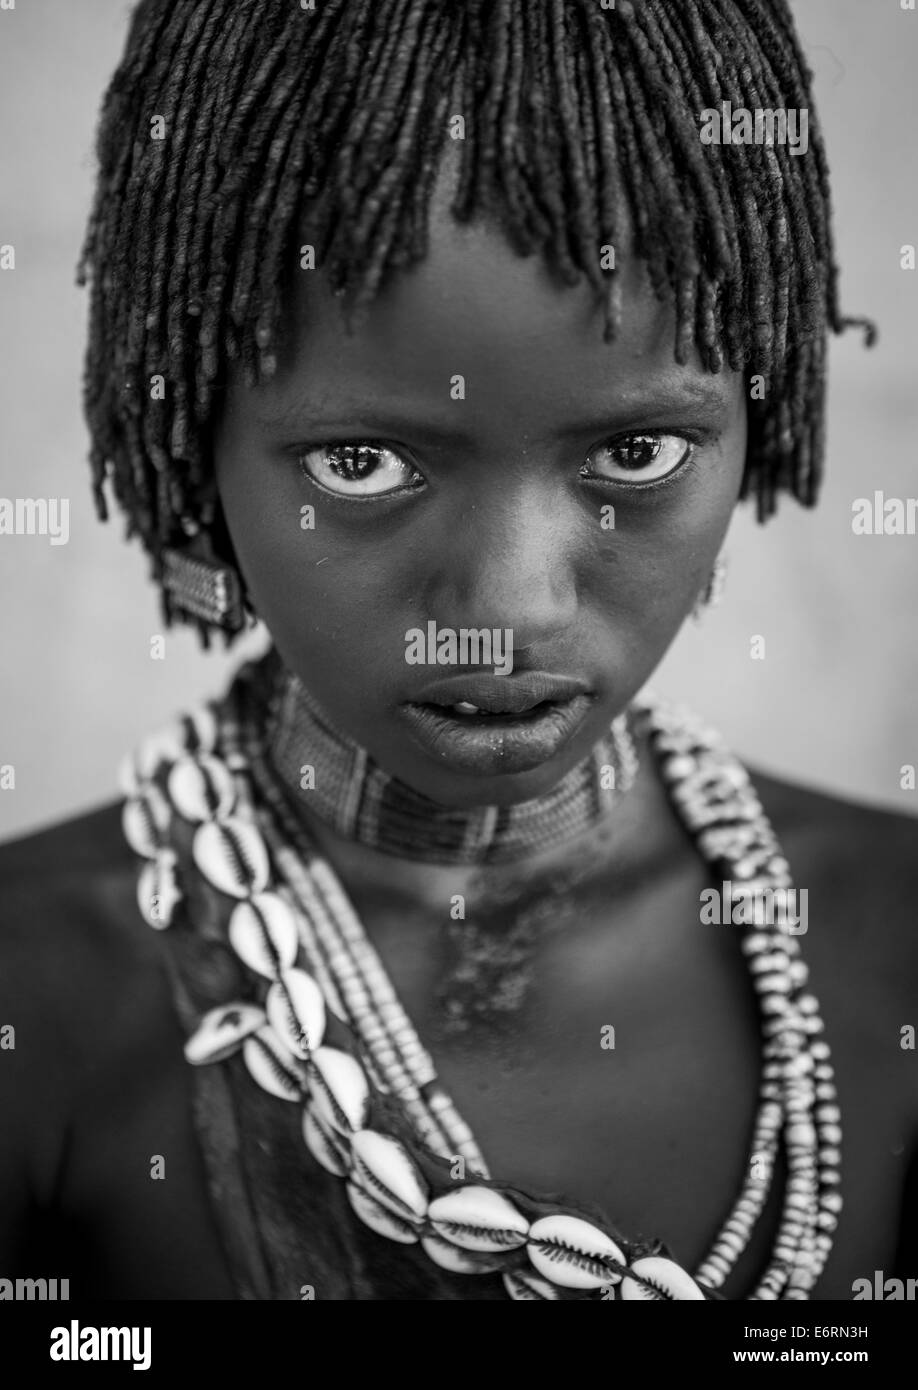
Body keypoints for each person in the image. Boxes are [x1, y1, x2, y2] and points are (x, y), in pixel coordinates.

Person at [1, 0, 915, 1302]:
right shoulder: (33, 995)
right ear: (186, 435)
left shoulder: (893, 940)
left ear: (757, 415)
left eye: (633, 452)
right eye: (361, 462)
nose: (508, 607)